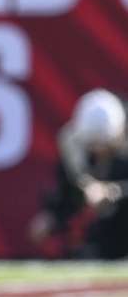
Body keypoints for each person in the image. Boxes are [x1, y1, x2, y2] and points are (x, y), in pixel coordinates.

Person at [30, 89, 128, 259]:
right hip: (101, 234)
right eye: (92, 146)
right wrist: (53, 216)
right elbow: (69, 188)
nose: (98, 152)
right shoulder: (74, 144)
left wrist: (113, 191)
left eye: (104, 146)